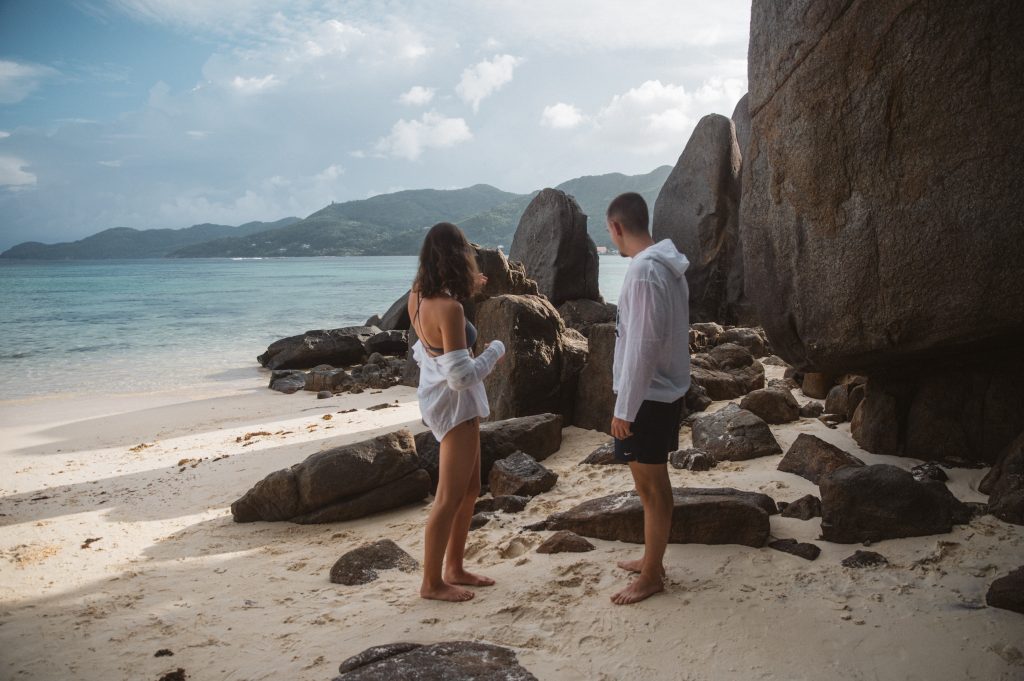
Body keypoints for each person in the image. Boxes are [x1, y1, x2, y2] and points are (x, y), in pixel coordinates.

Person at [407, 221, 506, 602]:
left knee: (470, 491)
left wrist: (471, 287)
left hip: (438, 397)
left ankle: (455, 567)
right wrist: (496, 350)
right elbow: (462, 377)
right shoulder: (448, 309)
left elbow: (434, 348)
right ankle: (432, 582)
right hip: (454, 405)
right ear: (458, 257)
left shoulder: (418, 294)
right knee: (449, 497)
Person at [605, 192, 691, 605]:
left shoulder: (642, 272)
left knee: (651, 486)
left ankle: (653, 574)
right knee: (651, 485)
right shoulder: (668, 265)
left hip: (648, 396)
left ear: (617, 228)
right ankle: (650, 558)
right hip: (664, 391)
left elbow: (642, 345)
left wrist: (625, 407)